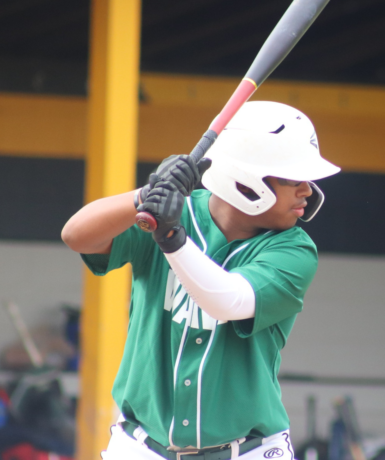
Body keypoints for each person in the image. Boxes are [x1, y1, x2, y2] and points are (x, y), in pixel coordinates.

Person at [61, 101, 341, 458]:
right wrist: (146, 196)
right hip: (142, 447)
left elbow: (228, 300)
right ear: (247, 180)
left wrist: (171, 238)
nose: (307, 191)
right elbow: (76, 235)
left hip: (249, 451)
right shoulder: (174, 212)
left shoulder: (294, 249)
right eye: (293, 179)